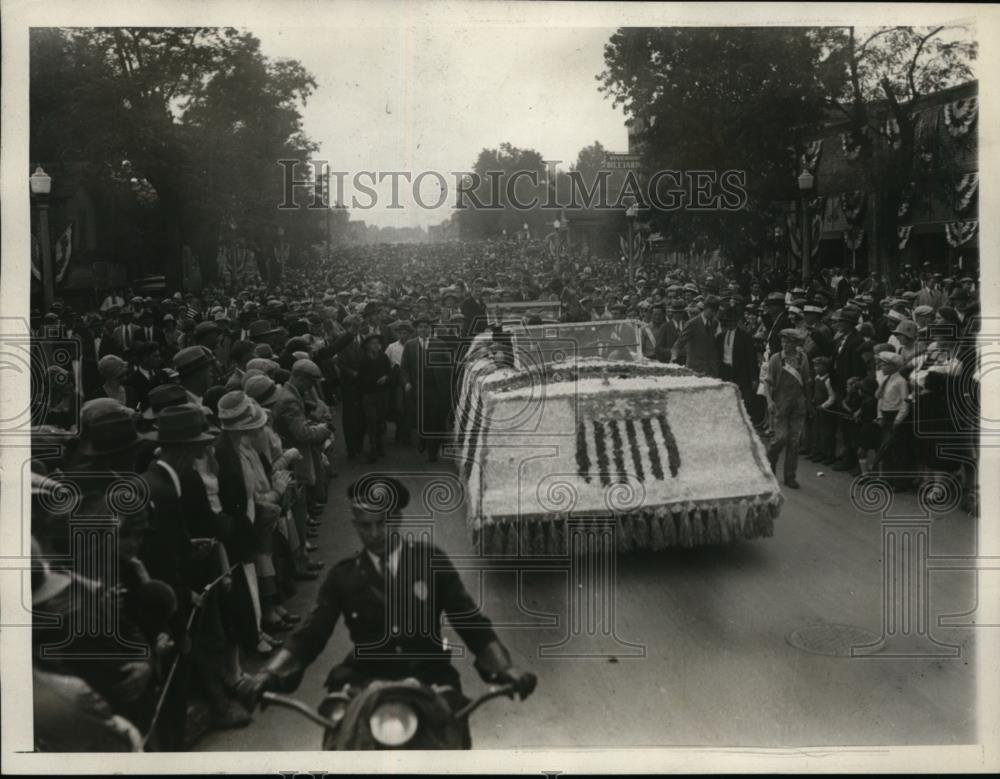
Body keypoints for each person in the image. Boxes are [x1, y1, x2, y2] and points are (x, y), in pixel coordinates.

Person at [238, 476, 535, 744]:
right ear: (355, 524)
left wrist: (504, 669)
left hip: (430, 678)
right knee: (338, 737)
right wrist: (269, 674)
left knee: (453, 735)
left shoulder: (432, 562)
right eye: (365, 525)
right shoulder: (342, 576)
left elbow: (472, 624)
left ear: (398, 519)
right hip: (363, 681)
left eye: (384, 522)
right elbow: (309, 635)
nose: (376, 533)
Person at [764, 328, 811, 489]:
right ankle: (769, 466)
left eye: (788, 342)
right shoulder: (776, 359)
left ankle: (790, 476)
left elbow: (806, 381)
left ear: (796, 344)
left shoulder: (802, 358)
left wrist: (808, 403)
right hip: (781, 404)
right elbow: (768, 383)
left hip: (798, 405)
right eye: (783, 341)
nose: (785, 345)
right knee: (780, 439)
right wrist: (769, 401)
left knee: (794, 442)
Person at [359, 332, 392, 462]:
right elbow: (361, 378)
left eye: (378, 343)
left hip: (382, 394)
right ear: (367, 345)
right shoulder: (363, 360)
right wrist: (374, 381)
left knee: (381, 420)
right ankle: (373, 448)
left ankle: (380, 446)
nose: (376, 346)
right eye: (373, 343)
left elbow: (389, 372)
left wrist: (386, 378)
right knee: (371, 420)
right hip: (369, 394)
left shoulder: (383, 357)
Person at [671, 296, 721, 377]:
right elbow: (679, 343)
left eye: (715, 312)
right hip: (695, 369)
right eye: (711, 311)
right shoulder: (692, 323)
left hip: (711, 370)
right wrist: (673, 358)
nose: (713, 314)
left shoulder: (715, 323)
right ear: (705, 308)